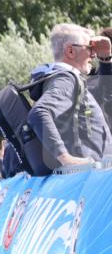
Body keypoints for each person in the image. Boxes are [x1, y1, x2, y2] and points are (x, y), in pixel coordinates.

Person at [27, 23, 112, 167]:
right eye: (89, 48)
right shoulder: (66, 79)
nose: (93, 54)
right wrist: (65, 158)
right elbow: (39, 113)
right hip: (90, 177)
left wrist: (106, 59)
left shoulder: (67, 78)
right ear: (71, 51)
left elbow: (105, 97)